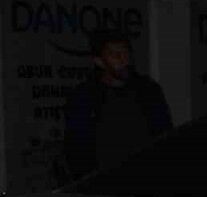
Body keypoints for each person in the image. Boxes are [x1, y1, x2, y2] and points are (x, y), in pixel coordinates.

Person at [62, 30, 173, 183]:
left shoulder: (148, 91)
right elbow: (76, 147)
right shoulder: (85, 96)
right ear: (99, 61)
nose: (123, 59)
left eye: (126, 53)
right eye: (115, 54)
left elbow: (164, 133)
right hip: (104, 184)